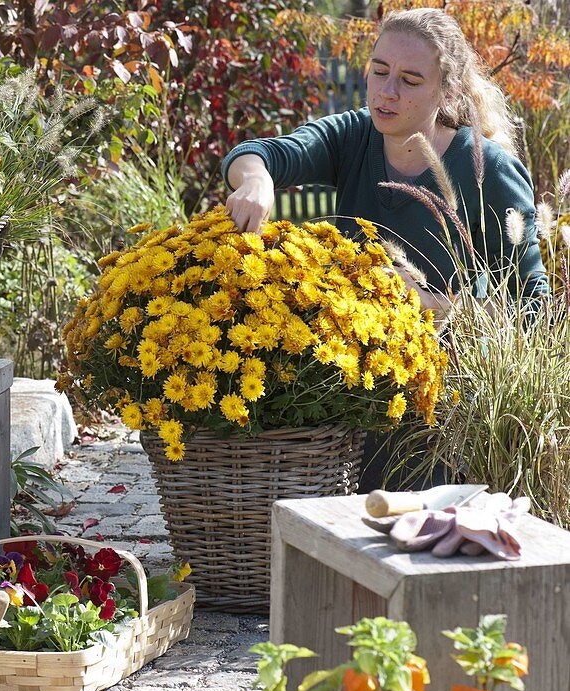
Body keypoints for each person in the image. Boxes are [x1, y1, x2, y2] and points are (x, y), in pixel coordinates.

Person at [221, 7, 550, 491]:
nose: (387, 91)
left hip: (444, 417)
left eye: (410, 80)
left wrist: (431, 306)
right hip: (345, 404)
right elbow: (261, 153)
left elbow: (533, 306)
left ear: (448, 91)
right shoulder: (353, 137)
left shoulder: (488, 171)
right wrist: (256, 182)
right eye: (379, 71)